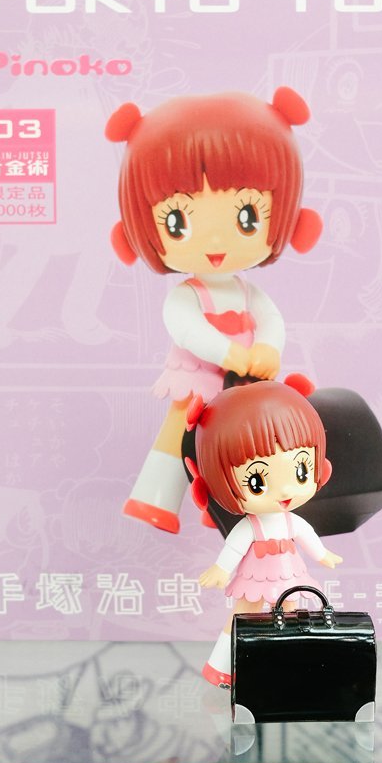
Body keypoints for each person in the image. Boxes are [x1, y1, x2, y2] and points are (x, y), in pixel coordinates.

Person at [106, 89, 321, 533]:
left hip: (245, 382)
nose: (217, 243)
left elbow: (271, 320)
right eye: (178, 222)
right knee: (178, 435)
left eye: (247, 216)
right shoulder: (186, 295)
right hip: (199, 379)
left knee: (242, 445)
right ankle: (154, 498)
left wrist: (268, 349)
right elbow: (186, 329)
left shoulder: (247, 291)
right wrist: (229, 353)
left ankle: (229, 506)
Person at [186, 380, 343, 687]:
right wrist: (221, 569)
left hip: (289, 574)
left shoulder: (291, 521)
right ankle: (221, 667)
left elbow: (307, 534)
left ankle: (287, 667)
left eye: (300, 471)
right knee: (243, 614)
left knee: (292, 617)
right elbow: (234, 547)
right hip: (255, 576)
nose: (284, 492)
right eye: (257, 481)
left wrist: (322, 554)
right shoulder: (251, 526)